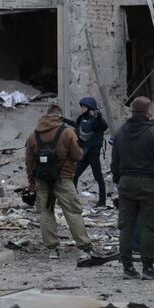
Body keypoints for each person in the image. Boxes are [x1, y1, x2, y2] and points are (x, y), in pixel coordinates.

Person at [109, 96, 154, 279]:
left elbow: (114, 162)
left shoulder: (120, 133)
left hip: (126, 183)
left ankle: (127, 267)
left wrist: (120, 179)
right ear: (148, 111)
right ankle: (148, 267)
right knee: (148, 225)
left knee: (126, 226)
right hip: (149, 184)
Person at [26, 104, 97, 254]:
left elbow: (29, 160)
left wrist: (31, 180)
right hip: (63, 178)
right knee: (72, 211)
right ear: (60, 116)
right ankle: (84, 246)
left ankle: (52, 248)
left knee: (45, 212)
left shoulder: (33, 134)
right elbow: (78, 156)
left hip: (41, 179)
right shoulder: (68, 132)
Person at [69, 97, 111, 207]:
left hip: (93, 153)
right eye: (81, 107)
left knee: (98, 177)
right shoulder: (82, 118)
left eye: (84, 107)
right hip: (84, 152)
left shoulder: (96, 120)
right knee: (74, 175)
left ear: (89, 108)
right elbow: (77, 125)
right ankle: (72, 200)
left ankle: (102, 201)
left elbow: (103, 126)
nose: (82, 109)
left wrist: (100, 118)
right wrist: (63, 120)